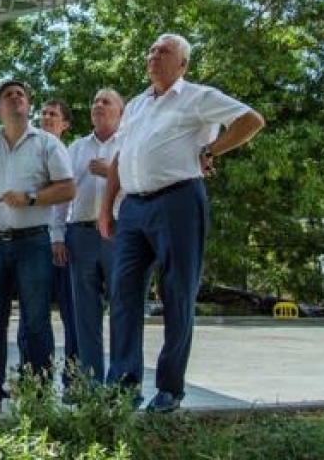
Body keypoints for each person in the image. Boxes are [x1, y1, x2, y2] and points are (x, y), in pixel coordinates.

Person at [98, 34, 264, 413]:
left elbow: (251, 120)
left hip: (178, 202)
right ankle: (122, 384)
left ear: (183, 64)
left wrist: (211, 149)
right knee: (122, 294)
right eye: (152, 50)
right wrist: (107, 208)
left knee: (176, 293)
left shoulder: (197, 97)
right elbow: (120, 159)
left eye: (165, 51)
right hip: (133, 208)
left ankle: (169, 389)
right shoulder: (137, 104)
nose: (154, 55)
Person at [0, 80, 75, 415]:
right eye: (7, 95)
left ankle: (37, 398)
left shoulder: (47, 144)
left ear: (28, 105)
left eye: (20, 94)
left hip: (33, 243)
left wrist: (31, 198)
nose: (15, 98)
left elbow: (68, 188)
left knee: (37, 321)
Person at [55, 88, 124, 386]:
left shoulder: (131, 146)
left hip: (120, 235)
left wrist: (113, 173)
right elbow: (62, 195)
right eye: (95, 100)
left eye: (106, 101)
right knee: (84, 314)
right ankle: (90, 384)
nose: (98, 105)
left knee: (124, 308)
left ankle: (121, 383)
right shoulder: (76, 148)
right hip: (80, 234)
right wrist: (57, 234)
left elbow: (146, 186)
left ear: (120, 113)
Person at [37, 99, 79, 389]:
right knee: (34, 317)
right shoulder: (27, 149)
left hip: (58, 241)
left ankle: (73, 380)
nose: (47, 117)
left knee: (71, 314)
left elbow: (66, 200)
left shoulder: (68, 153)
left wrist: (58, 236)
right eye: (43, 113)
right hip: (29, 240)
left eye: (54, 114)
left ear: (65, 124)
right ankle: (37, 380)